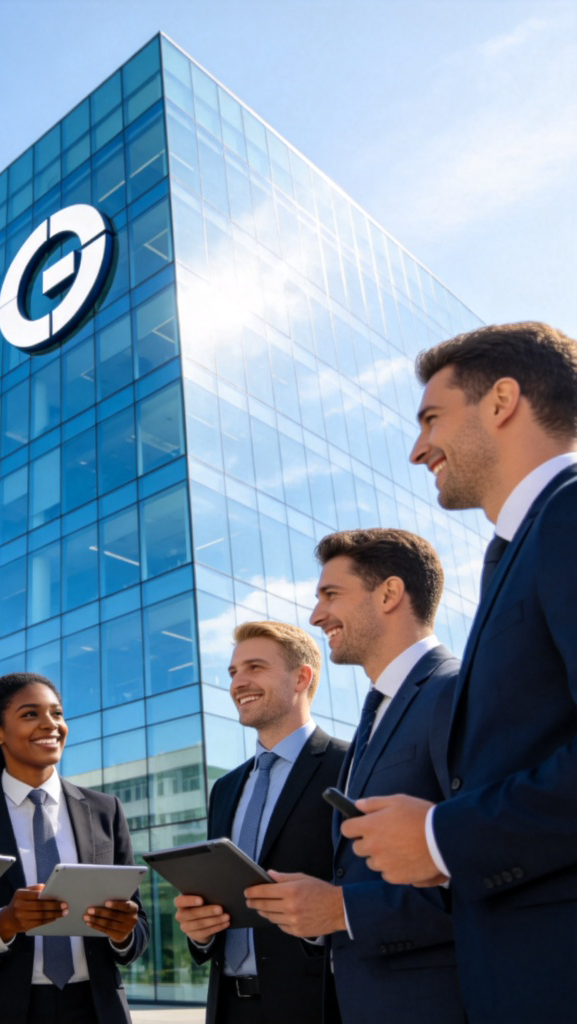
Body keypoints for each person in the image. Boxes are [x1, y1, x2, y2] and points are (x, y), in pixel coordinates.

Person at [342, 322, 577, 1024]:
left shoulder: (567, 516)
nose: (417, 450)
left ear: (502, 400)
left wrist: (443, 836)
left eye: (431, 419)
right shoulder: (524, 546)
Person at [243, 530, 464, 1023]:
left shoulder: (454, 691)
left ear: (388, 594)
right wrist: (319, 911)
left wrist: (342, 910)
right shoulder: (374, 714)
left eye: (330, 595)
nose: (316, 615)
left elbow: (491, 864)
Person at [0, 671, 149, 1024]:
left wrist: (123, 934)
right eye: (30, 714)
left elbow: (137, 930)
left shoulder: (106, 811)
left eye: (57, 714)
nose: (51, 725)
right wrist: (5, 923)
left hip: (96, 1009)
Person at [172, 622, 347, 1024]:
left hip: (317, 1005)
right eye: (233, 672)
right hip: (228, 1008)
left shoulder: (349, 765)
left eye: (254, 667)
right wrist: (201, 931)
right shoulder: (226, 787)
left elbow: (371, 890)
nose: (238, 683)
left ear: (302, 677)